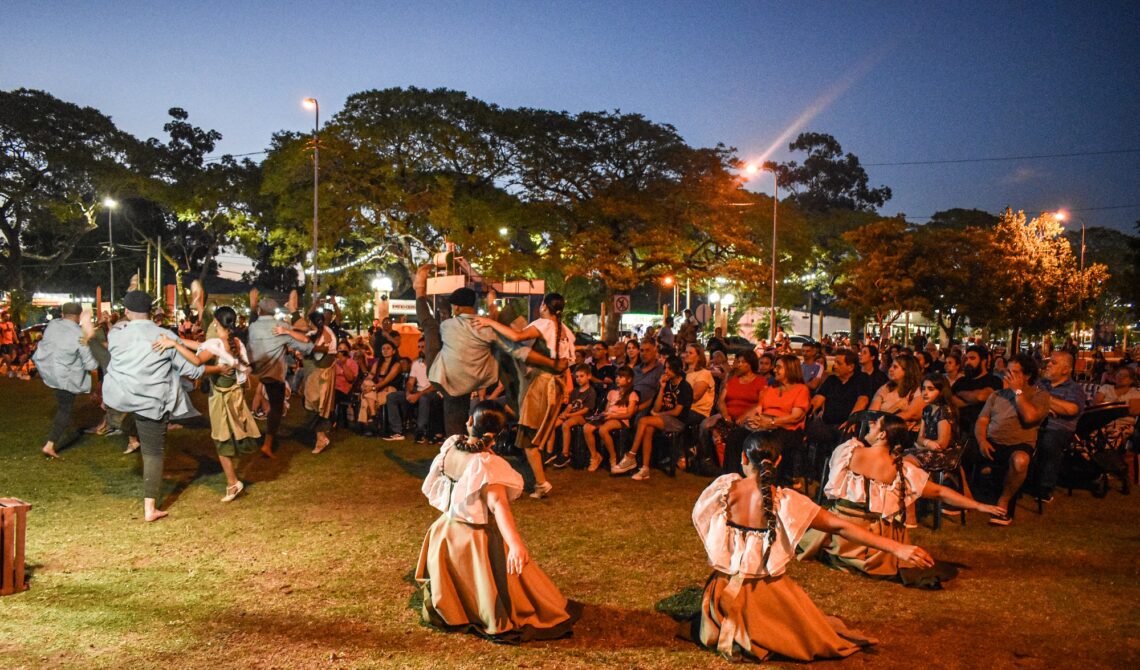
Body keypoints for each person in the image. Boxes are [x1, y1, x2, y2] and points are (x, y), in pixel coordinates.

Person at [688, 431, 934, 663]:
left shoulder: (722, 488)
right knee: (806, 628)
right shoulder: (787, 502)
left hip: (721, 590)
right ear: (779, 461)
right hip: (764, 592)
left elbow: (705, 522)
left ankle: (732, 625)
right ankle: (758, 625)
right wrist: (896, 548)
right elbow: (840, 527)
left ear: (743, 457)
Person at [414, 401, 580, 642]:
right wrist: (515, 545)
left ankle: (456, 606)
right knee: (508, 587)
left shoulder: (452, 446)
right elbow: (498, 504)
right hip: (474, 540)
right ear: (498, 435)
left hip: (446, 533)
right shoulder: (486, 464)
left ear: (469, 421)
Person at [798, 414, 1004, 584]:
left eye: (875, 423)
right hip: (874, 535)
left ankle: (842, 552)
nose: (869, 425)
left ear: (882, 435)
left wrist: (978, 505)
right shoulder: (901, 469)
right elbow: (939, 492)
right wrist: (978, 505)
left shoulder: (848, 452)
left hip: (844, 527)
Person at [102, 290, 206, 522]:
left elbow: (114, 339)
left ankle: (127, 431)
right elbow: (194, 370)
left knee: (130, 424)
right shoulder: (163, 336)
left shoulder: (117, 335)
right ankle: (150, 509)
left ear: (127, 312)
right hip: (152, 401)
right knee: (153, 452)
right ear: (151, 311)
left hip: (121, 398)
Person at [154, 306, 259, 502]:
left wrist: (174, 345)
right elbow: (199, 345)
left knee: (221, 439)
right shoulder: (236, 342)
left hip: (222, 398)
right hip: (235, 395)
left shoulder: (217, 344)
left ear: (216, 323)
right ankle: (233, 481)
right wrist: (175, 339)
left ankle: (233, 483)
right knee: (230, 436)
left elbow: (196, 360)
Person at [975, 354, 1050, 525]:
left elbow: (1030, 417)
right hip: (992, 441)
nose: (1009, 376)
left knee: (1020, 461)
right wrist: (981, 440)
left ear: (1027, 375)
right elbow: (982, 420)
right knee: (959, 453)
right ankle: (964, 500)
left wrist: (1018, 391)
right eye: (1008, 371)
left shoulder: (1040, 396)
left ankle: (1004, 500)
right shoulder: (997, 395)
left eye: (1015, 372)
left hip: (1019, 444)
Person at [246, 296, 314, 458]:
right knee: (276, 409)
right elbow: (307, 345)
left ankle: (243, 435)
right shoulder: (280, 326)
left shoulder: (253, 327)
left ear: (259, 310)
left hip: (255, 371)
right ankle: (267, 444)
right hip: (274, 374)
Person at [34, 303, 99, 458]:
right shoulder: (78, 334)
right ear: (78, 316)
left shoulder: (53, 325)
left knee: (63, 406)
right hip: (66, 377)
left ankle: (50, 443)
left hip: (50, 373)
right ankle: (50, 444)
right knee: (65, 409)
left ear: (62, 314)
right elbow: (91, 363)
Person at [614, 355, 692, 480]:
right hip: (663, 419)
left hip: (677, 421)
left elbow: (677, 412)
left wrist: (660, 414)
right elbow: (656, 408)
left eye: (669, 369)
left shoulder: (685, 387)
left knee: (644, 421)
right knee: (648, 429)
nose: (666, 371)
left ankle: (631, 455)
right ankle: (645, 468)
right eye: (665, 368)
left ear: (677, 370)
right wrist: (661, 388)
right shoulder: (666, 384)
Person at [806, 349, 871, 473]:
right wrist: (806, 413)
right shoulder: (831, 380)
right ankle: (814, 473)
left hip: (847, 424)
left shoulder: (862, 379)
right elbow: (817, 400)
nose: (834, 365)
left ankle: (838, 474)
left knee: (845, 439)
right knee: (805, 432)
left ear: (851, 366)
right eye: (834, 362)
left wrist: (851, 419)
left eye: (839, 363)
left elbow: (862, 400)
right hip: (826, 422)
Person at [1034, 351, 1086, 503]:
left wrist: (1043, 399)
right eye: (1049, 361)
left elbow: (1071, 409)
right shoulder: (1040, 383)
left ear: (1066, 369)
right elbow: (1026, 396)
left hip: (1058, 429)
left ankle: (1045, 487)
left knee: (1049, 442)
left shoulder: (1074, 389)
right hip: (1034, 424)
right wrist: (1050, 406)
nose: (1048, 364)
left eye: (1053, 363)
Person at [754, 355, 811, 489]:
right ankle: (735, 478)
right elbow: (759, 409)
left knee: (773, 440)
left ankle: (769, 483)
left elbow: (795, 417)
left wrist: (772, 422)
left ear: (790, 369)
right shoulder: (770, 388)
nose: (774, 370)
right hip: (765, 424)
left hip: (789, 429)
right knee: (737, 435)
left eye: (779, 367)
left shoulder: (801, 389)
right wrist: (755, 420)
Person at [707, 351, 766, 474]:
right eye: (738, 361)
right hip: (728, 416)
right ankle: (713, 464)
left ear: (750, 364)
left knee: (735, 436)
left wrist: (743, 417)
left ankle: (731, 470)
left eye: (742, 362)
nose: (739, 364)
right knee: (707, 426)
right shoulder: (733, 380)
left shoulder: (760, 381)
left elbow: (760, 404)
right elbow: (721, 401)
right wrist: (726, 416)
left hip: (748, 418)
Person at [582, 365, 639, 472]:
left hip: (621, 419)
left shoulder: (632, 394)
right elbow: (607, 409)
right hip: (609, 416)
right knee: (587, 427)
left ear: (629, 379)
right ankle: (595, 457)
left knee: (603, 430)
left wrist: (613, 416)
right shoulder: (612, 393)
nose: (617, 379)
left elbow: (629, 414)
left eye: (621, 377)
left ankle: (613, 458)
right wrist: (601, 415)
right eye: (617, 376)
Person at [384, 342, 440, 443]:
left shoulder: (436, 363)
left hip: (433, 393)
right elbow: (410, 382)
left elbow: (436, 385)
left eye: (423, 347)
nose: (420, 349)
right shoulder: (416, 364)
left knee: (424, 398)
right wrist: (408, 393)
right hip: (417, 391)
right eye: (418, 347)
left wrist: (418, 395)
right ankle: (397, 432)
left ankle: (421, 432)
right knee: (392, 397)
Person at [300, 310, 338, 454]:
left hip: (323, 374)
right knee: (315, 404)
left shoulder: (326, 333)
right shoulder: (314, 333)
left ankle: (321, 434)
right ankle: (321, 437)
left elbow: (326, 350)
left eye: (309, 321)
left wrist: (309, 347)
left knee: (316, 403)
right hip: (317, 372)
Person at [548, 364, 596, 468]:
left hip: (584, 417)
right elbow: (570, 405)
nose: (579, 379)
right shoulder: (575, 391)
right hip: (571, 414)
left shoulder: (591, 392)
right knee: (551, 425)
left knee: (566, 424)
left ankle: (565, 454)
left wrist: (569, 415)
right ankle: (549, 451)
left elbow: (586, 410)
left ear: (589, 376)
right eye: (577, 377)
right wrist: (565, 413)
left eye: (581, 376)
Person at [358, 341, 403, 434]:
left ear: (394, 351)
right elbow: (371, 375)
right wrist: (364, 383)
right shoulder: (378, 362)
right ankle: (373, 416)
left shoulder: (397, 365)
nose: (385, 350)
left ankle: (369, 424)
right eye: (383, 348)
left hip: (390, 389)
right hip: (377, 390)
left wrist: (373, 388)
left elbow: (387, 380)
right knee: (368, 385)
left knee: (366, 397)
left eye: (388, 348)